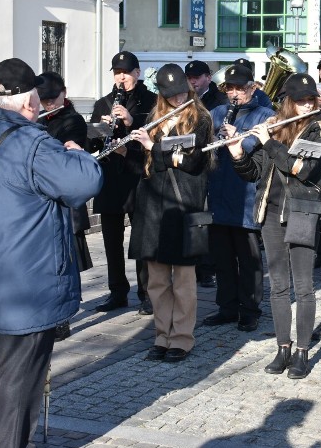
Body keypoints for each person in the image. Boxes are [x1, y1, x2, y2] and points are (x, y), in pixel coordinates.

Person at [0, 58, 103, 448]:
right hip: (29, 285)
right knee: (18, 392)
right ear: (29, 102)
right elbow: (85, 182)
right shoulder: (32, 143)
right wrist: (79, 154)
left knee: (0, 383)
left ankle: (8, 442)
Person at [228, 73, 321, 379]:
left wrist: (270, 142)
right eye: (300, 100)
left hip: (303, 210)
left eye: (310, 100)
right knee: (277, 286)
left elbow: (302, 170)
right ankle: (283, 348)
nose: (306, 105)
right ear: (288, 102)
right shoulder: (277, 126)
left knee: (303, 287)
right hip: (271, 212)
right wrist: (238, 154)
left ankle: (303, 352)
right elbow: (256, 172)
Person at [128, 64, 213, 363]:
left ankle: (182, 338)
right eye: (173, 95)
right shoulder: (154, 118)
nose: (179, 99)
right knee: (158, 280)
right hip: (153, 206)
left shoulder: (199, 119)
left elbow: (191, 162)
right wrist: (132, 146)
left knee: (184, 280)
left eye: (183, 93)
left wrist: (156, 147)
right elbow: (142, 166)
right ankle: (161, 335)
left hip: (182, 204)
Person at [203, 64, 274, 332]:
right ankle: (227, 307)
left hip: (246, 195)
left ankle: (250, 309)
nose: (234, 93)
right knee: (222, 257)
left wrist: (235, 139)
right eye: (230, 88)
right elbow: (203, 146)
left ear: (252, 88)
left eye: (240, 88)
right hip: (219, 193)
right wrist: (211, 137)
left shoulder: (266, 115)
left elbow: (253, 147)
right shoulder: (217, 113)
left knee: (248, 259)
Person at [89, 51, 157, 314]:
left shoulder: (150, 101)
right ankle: (117, 291)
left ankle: (146, 293)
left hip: (138, 177)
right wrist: (100, 129)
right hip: (111, 179)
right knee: (111, 240)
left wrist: (129, 123)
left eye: (125, 72)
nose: (120, 77)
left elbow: (153, 137)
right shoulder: (103, 102)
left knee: (140, 238)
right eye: (117, 72)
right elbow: (91, 143)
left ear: (137, 73)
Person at [38, 72, 93, 342]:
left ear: (64, 93)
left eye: (52, 98)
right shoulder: (35, 120)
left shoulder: (73, 120)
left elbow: (67, 157)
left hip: (66, 201)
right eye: (44, 99)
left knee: (66, 262)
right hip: (42, 201)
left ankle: (63, 317)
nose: (49, 104)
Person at [184, 60, 227, 289]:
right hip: (191, 163)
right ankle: (194, 264)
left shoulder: (219, 101)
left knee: (207, 217)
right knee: (194, 216)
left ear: (208, 78)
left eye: (197, 77)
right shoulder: (184, 99)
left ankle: (207, 269)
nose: (192, 81)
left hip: (211, 164)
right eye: (189, 77)